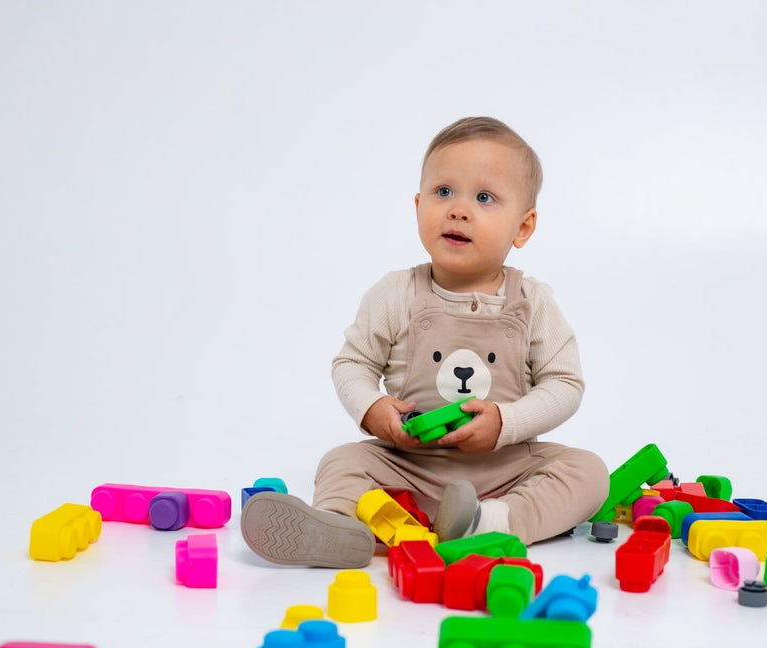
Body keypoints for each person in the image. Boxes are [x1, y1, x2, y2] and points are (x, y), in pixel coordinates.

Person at [241, 116, 609, 568]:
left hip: (505, 468)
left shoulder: (533, 302)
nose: (458, 209)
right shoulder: (396, 294)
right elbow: (352, 364)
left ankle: (489, 524)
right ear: (418, 206)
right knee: (342, 461)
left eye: (485, 197)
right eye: (443, 192)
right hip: (409, 465)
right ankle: (337, 526)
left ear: (523, 227)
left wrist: (506, 422)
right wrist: (372, 410)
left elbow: (564, 385)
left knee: (588, 472)